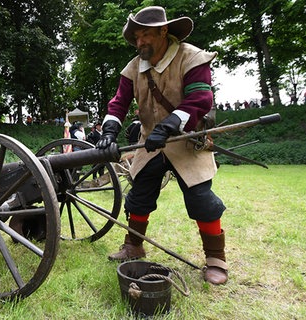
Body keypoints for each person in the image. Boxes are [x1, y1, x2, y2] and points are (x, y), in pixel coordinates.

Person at [96, 6, 228, 285]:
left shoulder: (192, 57)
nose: (140, 42)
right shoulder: (133, 68)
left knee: (201, 200)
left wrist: (169, 126)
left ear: (164, 31)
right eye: (137, 37)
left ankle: (216, 259)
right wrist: (109, 131)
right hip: (150, 141)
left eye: (145, 35)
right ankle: (134, 244)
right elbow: (119, 103)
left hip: (185, 139)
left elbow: (200, 99)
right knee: (139, 195)